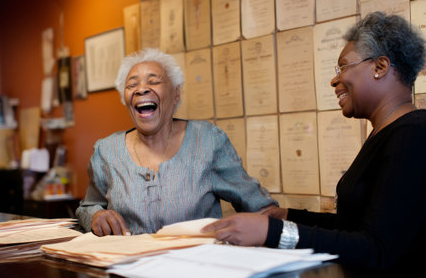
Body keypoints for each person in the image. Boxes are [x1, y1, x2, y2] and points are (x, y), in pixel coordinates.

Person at [202, 12, 426, 272]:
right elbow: (354, 226)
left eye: (344, 67)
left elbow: (375, 249)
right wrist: (287, 217)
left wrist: (274, 232)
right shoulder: (387, 133)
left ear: (380, 67)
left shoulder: (414, 137)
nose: (335, 80)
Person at [76, 48, 279, 236]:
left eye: (153, 81)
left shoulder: (208, 140)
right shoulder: (106, 151)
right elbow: (89, 206)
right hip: (127, 268)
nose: (141, 89)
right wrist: (95, 216)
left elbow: (261, 209)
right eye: (132, 85)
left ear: (175, 94)